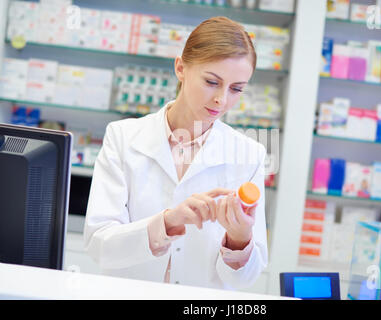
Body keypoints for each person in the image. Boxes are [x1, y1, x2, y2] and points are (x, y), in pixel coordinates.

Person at [83, 16, 268, 291]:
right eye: (211, 81)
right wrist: (168, 221)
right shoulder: (122, 137)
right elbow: (99, 245)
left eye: (236, 89)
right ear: (181, 67)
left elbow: (245, 279)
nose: (222, 99)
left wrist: (240, 239)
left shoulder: (249, 154)